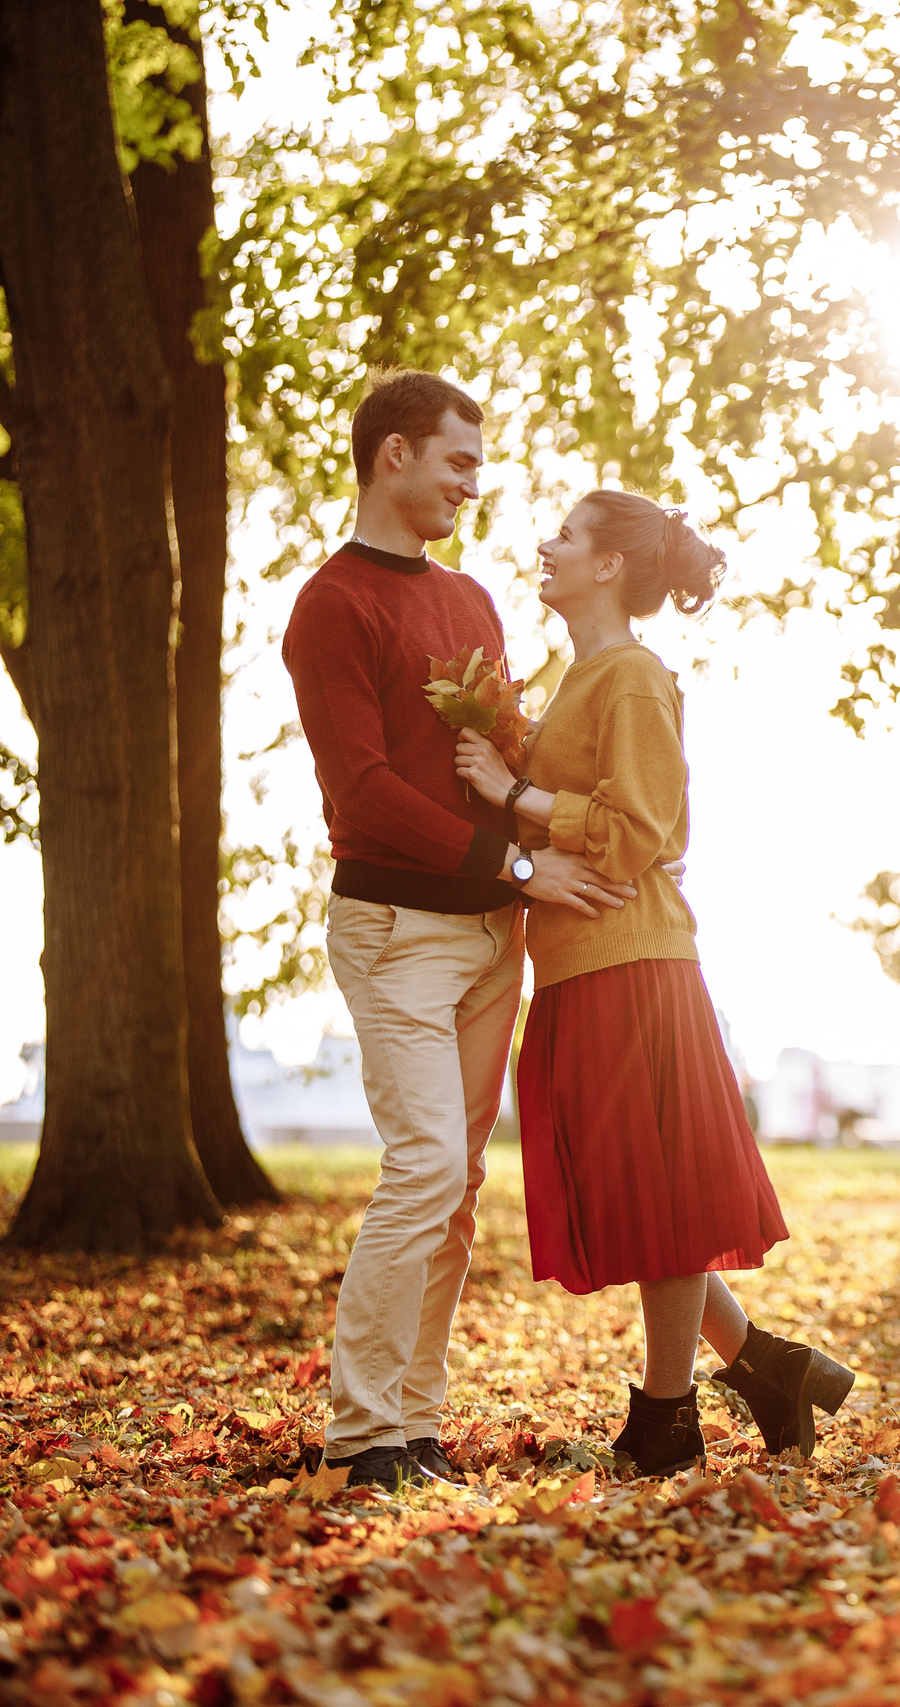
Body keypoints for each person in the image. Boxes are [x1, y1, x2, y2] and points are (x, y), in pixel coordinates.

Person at [283, 372, 639, 1490]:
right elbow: (363, 790)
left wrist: (583, 819)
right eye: (458, 462)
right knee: (427, 1164)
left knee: (459, 1184)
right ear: (393, 454)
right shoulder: (332, 605)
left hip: (493, 937)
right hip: (395, 929)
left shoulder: (472, 600)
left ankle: (413, 1427)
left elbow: (504, 754)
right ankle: (359, 1436)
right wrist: (519, 864)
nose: (471, 487)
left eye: (476, 466)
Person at [453, 489, 856, 1476]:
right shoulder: (583, 677)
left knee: (659, 1199)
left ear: (608, 567)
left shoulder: (632, 676)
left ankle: (669, 1418)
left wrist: (514, 792)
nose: (545, 544)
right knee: (639, 1194)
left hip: (632, 962)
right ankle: (769, 1367)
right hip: (582, 964)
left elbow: (644, 830)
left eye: (567, 535)